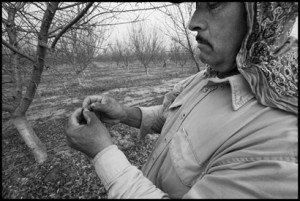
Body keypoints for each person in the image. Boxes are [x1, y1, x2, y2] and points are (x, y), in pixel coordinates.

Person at [65, 2, 298, 198]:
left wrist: (102, 152)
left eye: (214, 3)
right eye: (196, 5)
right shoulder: (210, 75)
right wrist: (124, 112)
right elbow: (173, 117)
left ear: (263, 15)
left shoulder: (280, 141)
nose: (192, 22)